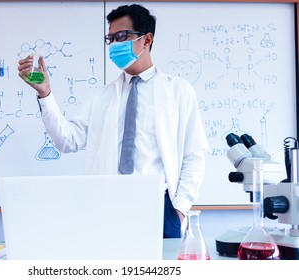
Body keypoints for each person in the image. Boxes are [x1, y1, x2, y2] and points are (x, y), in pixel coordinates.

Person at [18, 4, 208, 238]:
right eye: (111, 39)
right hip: (105, 203)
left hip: (159, 205)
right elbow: (66, 140)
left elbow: (194, 154)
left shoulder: (178, 91)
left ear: (146, 40)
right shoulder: (102, 96)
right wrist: (45, 94)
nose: (115, 45)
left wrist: (179, 208)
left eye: (121, 36)